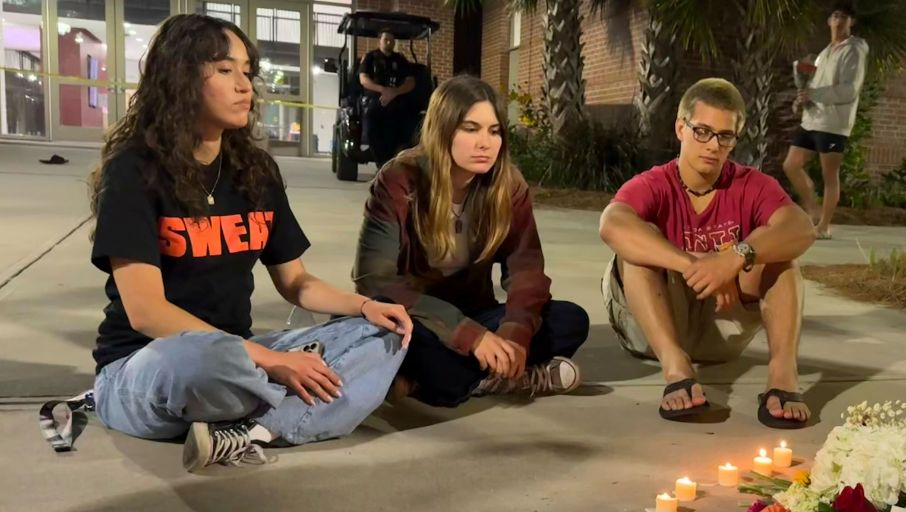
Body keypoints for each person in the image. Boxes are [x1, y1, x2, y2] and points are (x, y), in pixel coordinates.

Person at [87, 14, 413, 473]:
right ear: (179, 77)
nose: (246, 86)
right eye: (225, 70)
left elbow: (296, 282)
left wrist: (363, 307)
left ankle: (252, 430)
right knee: (198, 359)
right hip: (150, 365)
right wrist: (273, 361)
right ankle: (289, 409)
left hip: (241, 357)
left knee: (386, 333)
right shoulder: (135, 172)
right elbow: (148, 313)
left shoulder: (256, 172)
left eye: (247, 71)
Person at [353, 75, 589, 408]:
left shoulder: (508, 186)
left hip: (478, 313)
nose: (485, 143)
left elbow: (526, 269)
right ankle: (491, 376)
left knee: (570, 320)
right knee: (403, 348)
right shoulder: (400, 179)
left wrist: (514, 333)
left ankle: (459, 377)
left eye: (494, 131)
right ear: (442, 129)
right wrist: (468, 336)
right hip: (414, 317)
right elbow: (373, 279)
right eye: (470, 128)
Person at [599, 78, 816, 428]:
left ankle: (782, 375)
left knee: (780, 255)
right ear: (681, 128)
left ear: (733, 140)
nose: (713, 145)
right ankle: (677, 369)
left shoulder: (751, 184)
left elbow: (802, 228)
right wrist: (698, 265)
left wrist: (734, 259)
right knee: (638, 246)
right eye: (702, 131)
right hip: (653, 331)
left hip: (721, 327)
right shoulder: (654, 183)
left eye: (724, 136)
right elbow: (612, 224)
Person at [781, 1, 869, 240]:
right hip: (812, 120)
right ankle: (813, 209)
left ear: (851, 22)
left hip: (833, 124)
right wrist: (801, 100)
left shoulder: (855, 49)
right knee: (791, 165)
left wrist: (815, 94)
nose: (838, 20)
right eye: (835, 16)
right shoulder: (824, 53)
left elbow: (849, 90)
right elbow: (813, 85)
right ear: (829, 21)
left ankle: (825, 226)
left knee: (830, 176)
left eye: (844, 16)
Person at [359, 30, 418, 167]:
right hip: (374, 99)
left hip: (396, 99)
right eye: (386, 39)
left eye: (392, 40)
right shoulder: (370, 57)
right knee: (371, 118)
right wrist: (383, 90)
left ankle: (398, 155)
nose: (389, 42)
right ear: (379, 40)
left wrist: (395, 92)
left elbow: (410, 82)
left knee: (408, 120)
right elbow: (364, 80)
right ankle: (377, 157)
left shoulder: (400, 60)